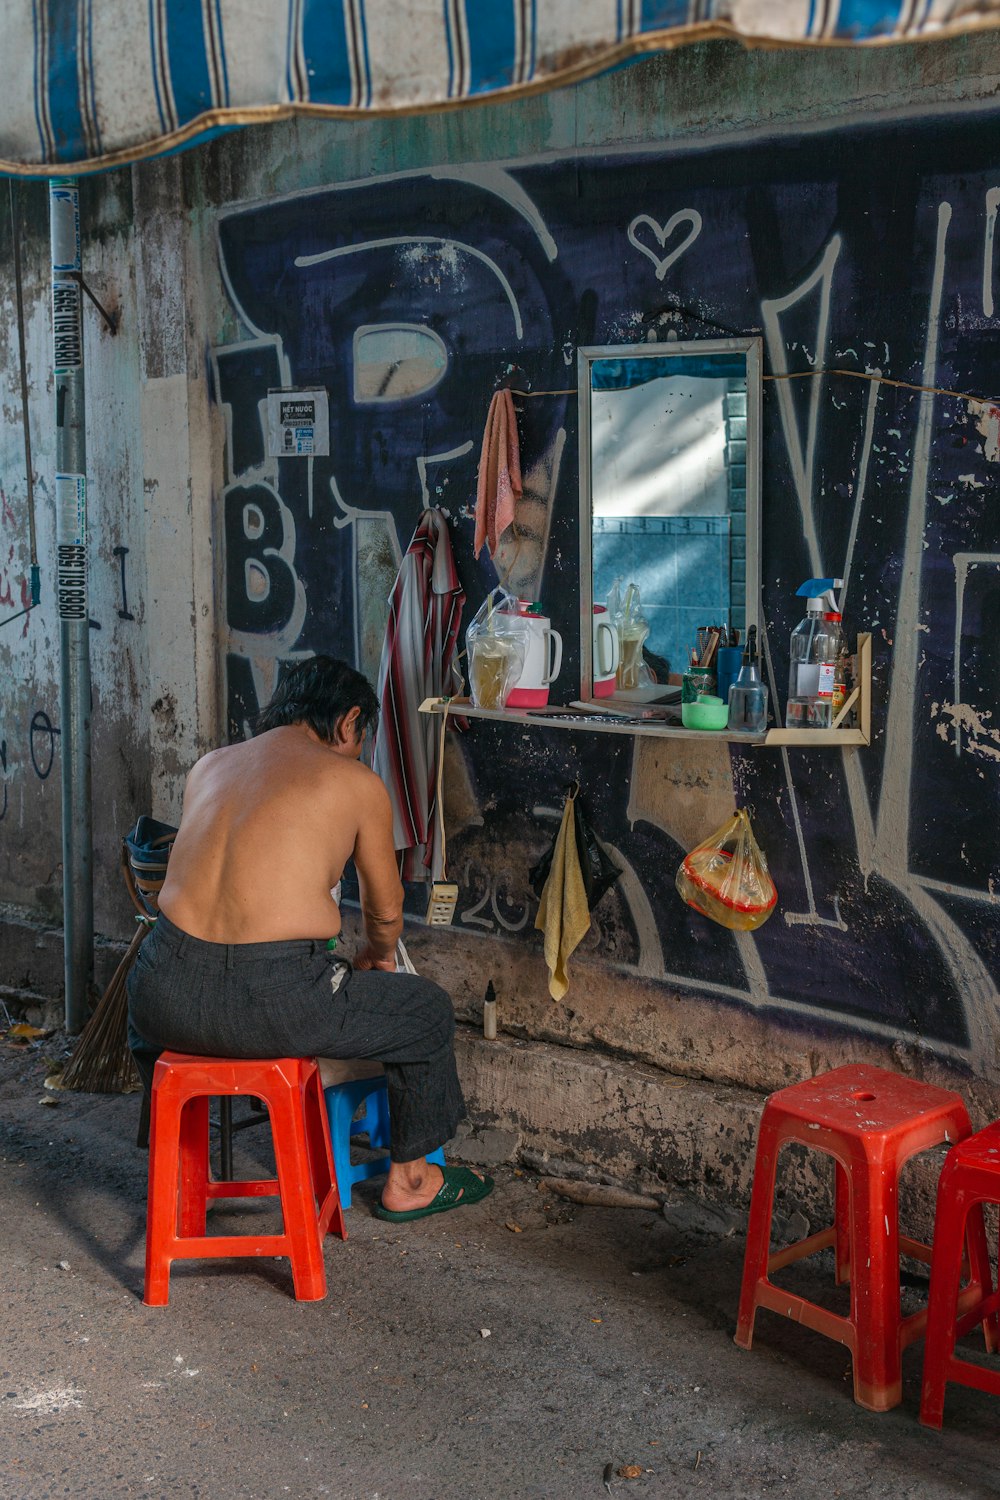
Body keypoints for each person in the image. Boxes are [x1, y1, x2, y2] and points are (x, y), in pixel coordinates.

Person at [127, 655, 492, 1222]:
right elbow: (385, 908)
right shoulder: (354, 782)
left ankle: (174, 1163)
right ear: (348, 723)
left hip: (160, 992)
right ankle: (413, 1180)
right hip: (275, 1004)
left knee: (146, 1007)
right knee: (425, 1012)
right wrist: (374, 954)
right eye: (359, 737)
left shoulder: (210, 767)